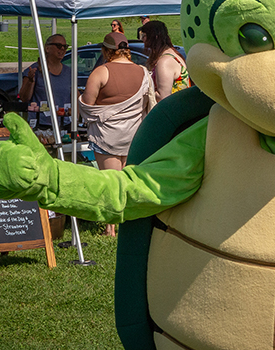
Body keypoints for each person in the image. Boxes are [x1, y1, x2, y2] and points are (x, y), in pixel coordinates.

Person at [79, 32, 157, 236]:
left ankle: (110, 228)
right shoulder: (143, 72)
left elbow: (87, 106)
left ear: (106, 51)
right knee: (127, 179)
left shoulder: (100, 72)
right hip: (134, 135)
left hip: (107, 136)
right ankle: (126, 222)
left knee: (110, 180)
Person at [19, 34, 72, 129]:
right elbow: (24, 98)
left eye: (65, 46)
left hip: (65, 124)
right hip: (41, 125)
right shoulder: (33, 70)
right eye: (59, 46)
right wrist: (31, 81)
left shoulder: (69, 72)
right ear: (47, 48)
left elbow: (75, 96)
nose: (62, 49)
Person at [141, 21, 190, 101]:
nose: (143, 39)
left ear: (155, 37)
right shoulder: (173, 54)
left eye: (145, 35)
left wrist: (142, 91)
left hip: (173, 110)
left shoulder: (165, 61)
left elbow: (163, 96)